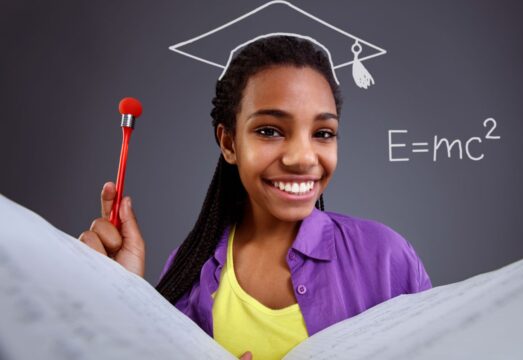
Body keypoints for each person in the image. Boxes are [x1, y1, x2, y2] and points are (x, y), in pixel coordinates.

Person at [79, 35, 432, 360]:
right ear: (229, 143)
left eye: (323, 133)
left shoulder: (387, 259)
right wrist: (126, 301)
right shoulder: (187, 275)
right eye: (269, 131)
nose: (303, 157)